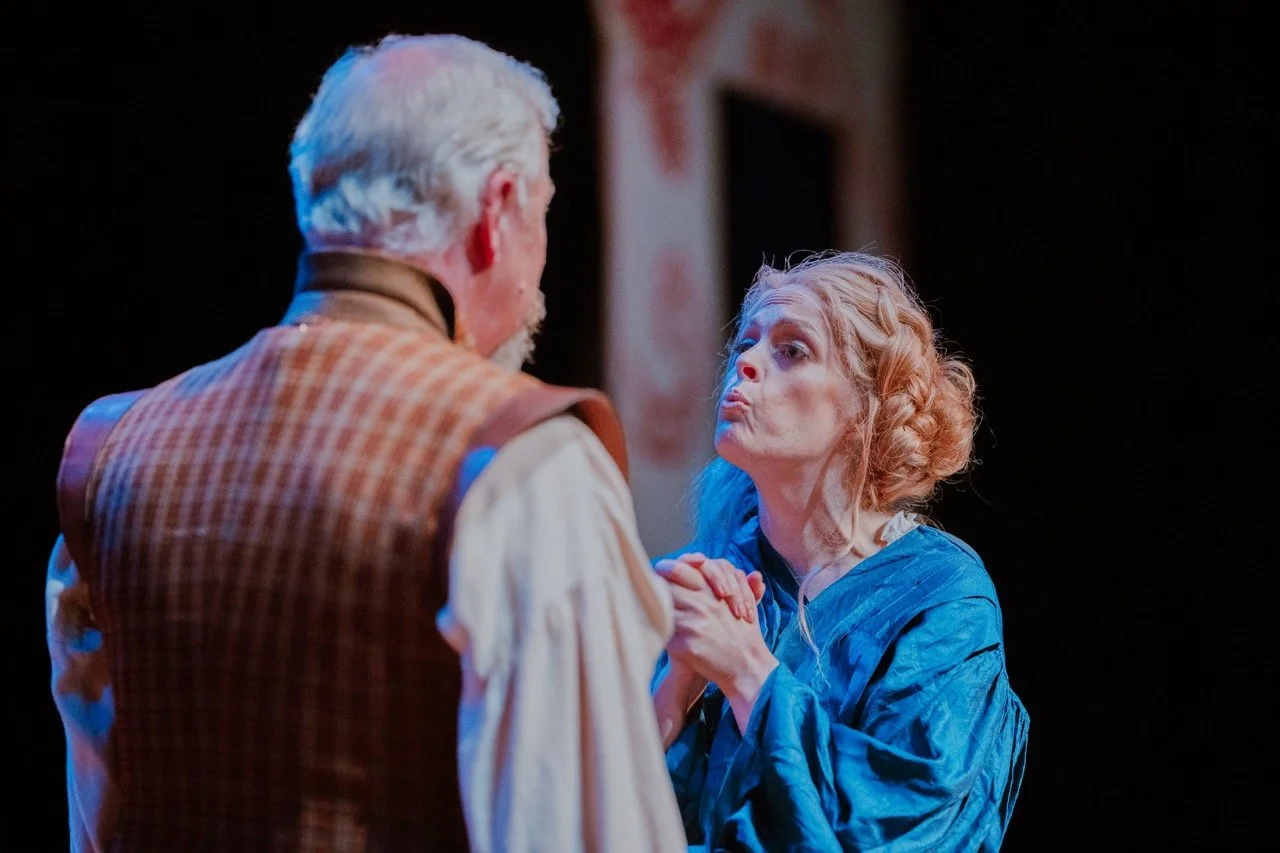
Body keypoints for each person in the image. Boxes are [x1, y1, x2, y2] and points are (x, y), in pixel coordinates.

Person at [45, 34, 686, 852]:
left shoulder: (113, 454)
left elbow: (98, 822)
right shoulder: (520, 458)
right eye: (543, 213)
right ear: (496, 214)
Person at [650, 251, 1029, 850]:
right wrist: (676, 682)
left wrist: (748, 673)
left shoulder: (941, 597)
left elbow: (904, 821)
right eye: (746, 342)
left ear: (862, 409)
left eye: (791, 350)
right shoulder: (713, 573)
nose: (745, 362)